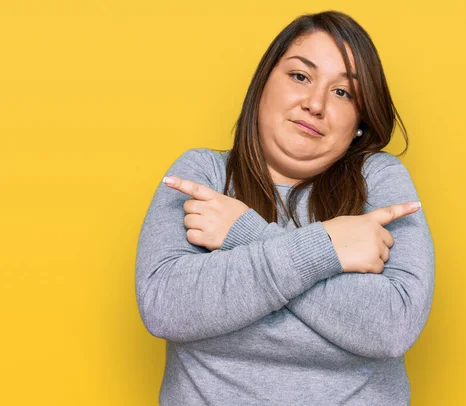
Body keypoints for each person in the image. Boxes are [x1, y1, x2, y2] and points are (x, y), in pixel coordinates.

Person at [135, 10, 435, 405]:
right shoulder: (201, 174)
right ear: (263, 84)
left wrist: (245, 234)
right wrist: (330, 247)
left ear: (360, 121)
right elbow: (165, 306)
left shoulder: (379, 181)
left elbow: (393, 325)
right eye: (300, 76)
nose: (315, 104)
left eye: (343, 92)